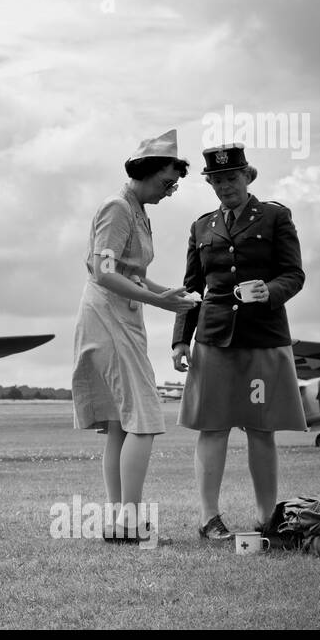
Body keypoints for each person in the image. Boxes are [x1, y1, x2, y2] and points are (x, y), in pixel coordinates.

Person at [171, 143, 306, 541]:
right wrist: (181, 340)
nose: (224, 185)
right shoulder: (201, 226)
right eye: (216, 180)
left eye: (231, 177)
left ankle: (266, 518)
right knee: (212, 428)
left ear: (247, 177)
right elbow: (191, 289)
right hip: (213, 340)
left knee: (262, 429)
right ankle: (208, 519)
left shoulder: (276, 216)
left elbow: (294, 274)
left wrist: (270, 290)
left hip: (263, 338)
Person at [72, 129, 199, 544]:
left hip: (124, 315)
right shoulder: (118, 207)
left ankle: (119, 521)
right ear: (144, 173)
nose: (170, 190)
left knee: (120, 425)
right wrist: (161, 304)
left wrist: (165, 293)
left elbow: (132, 272)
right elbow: (104, 272)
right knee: (143, 419)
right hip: (108, 316)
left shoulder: (139, 210)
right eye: (167, 182)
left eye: (175, 184)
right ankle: (128, 519)